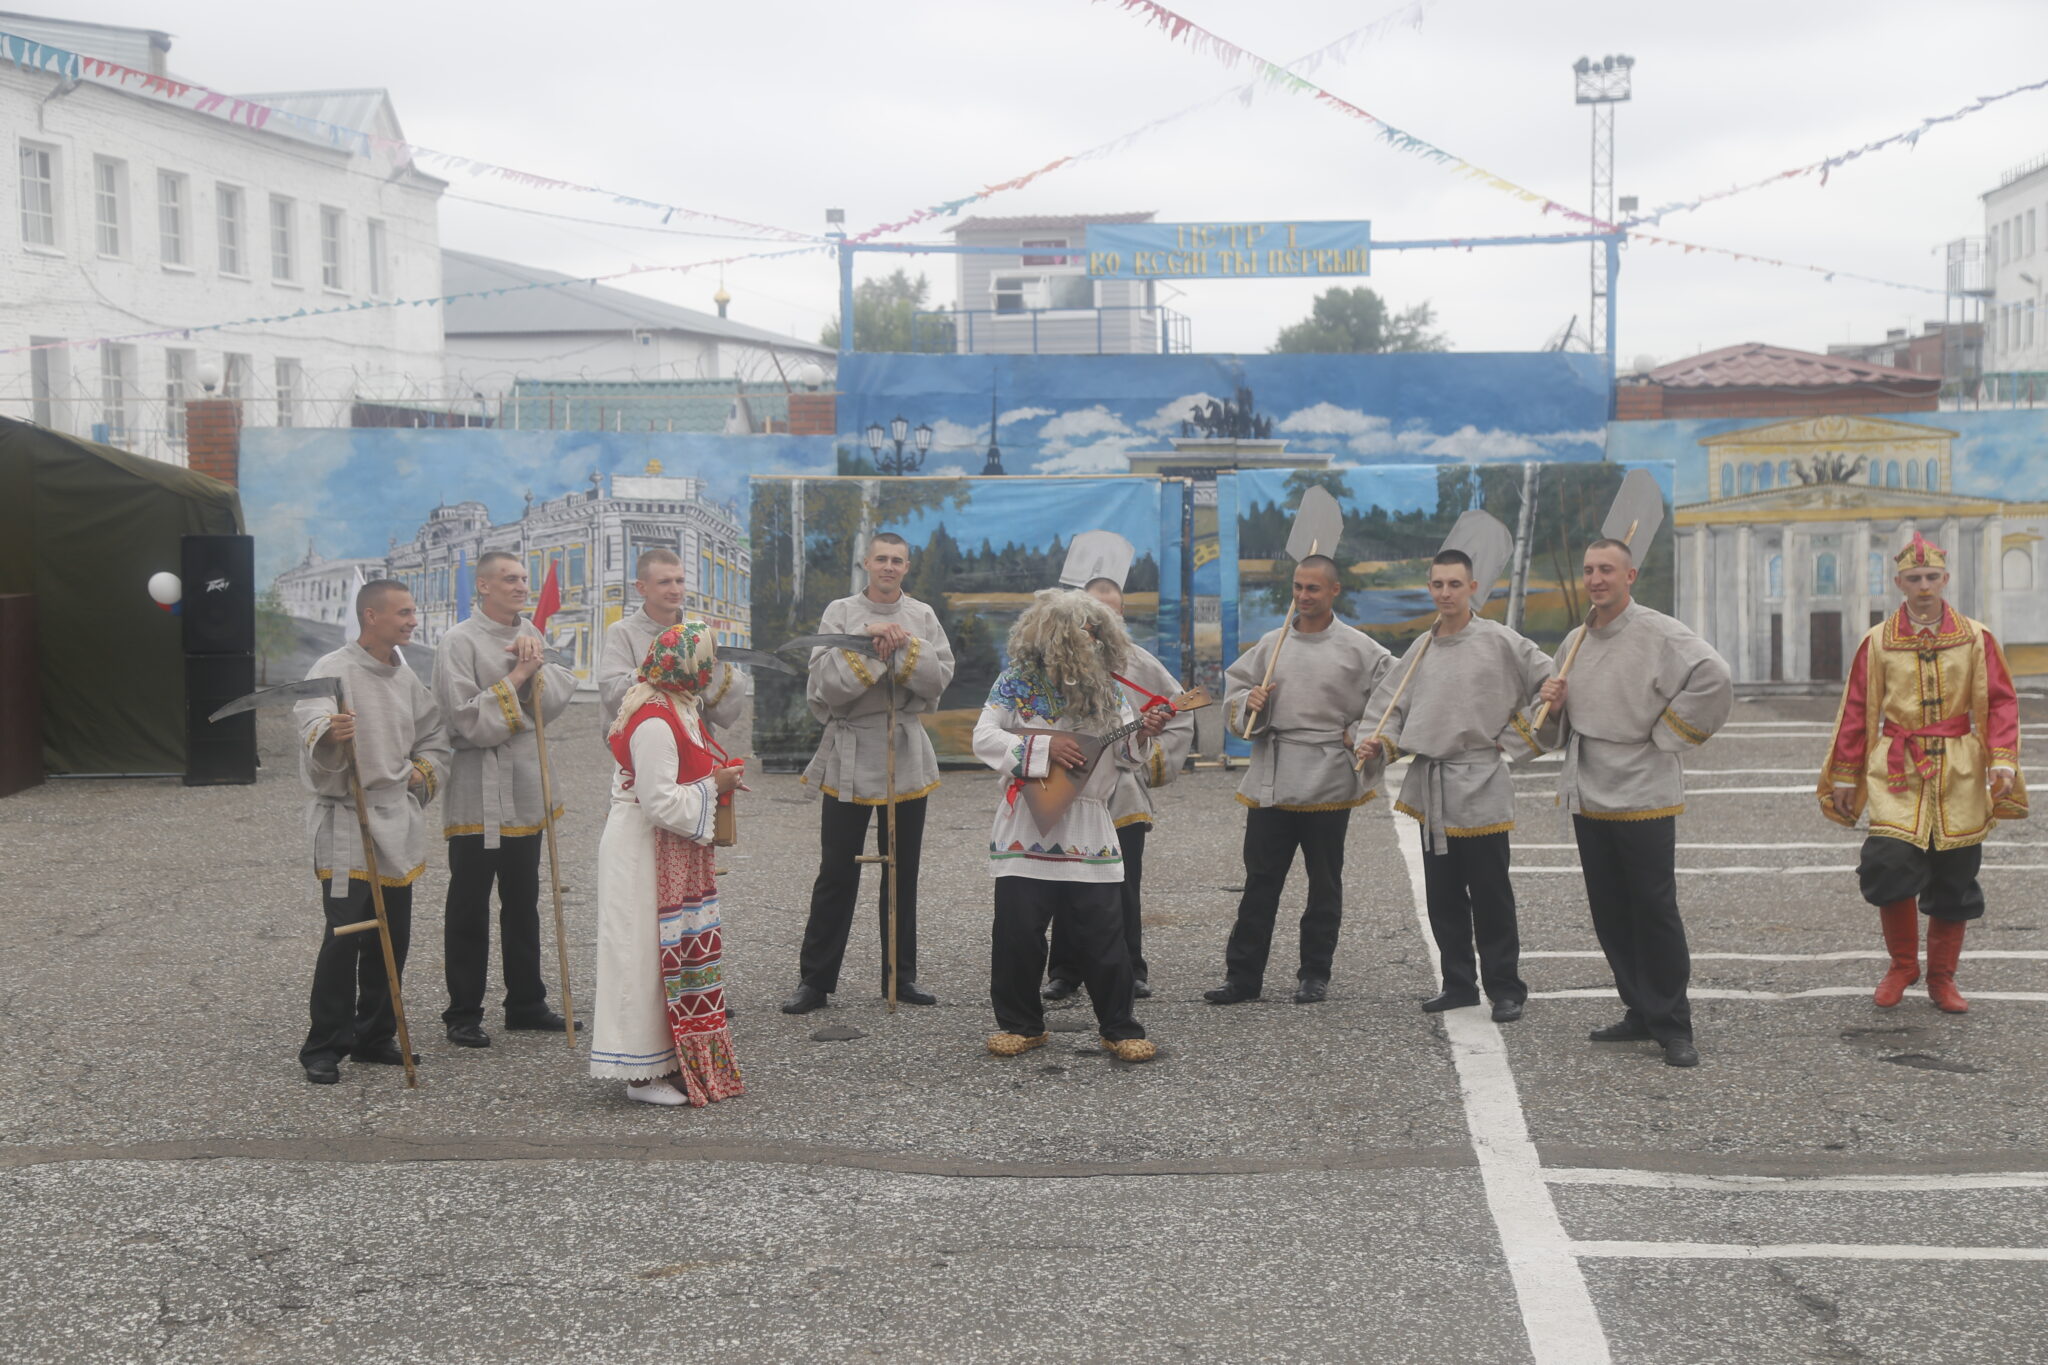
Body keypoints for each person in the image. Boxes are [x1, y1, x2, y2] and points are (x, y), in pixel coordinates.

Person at [1536, 537, 1732, 1068]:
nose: (1596, 579)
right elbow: (1553, 727)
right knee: (1610, 910)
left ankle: (1673, 1024)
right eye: (1589, 569)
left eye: (1607, 570)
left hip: (1643, 787)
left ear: (1630, 576)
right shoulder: (1575, 640)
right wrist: (1553, 706)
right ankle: (1639, 1008)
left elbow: (1714, 676)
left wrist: (1668, 733)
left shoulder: (1661, 632)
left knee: (1653, 908)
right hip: (1590, 785)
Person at [1819, 532, 2029, 1013]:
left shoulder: (1976, 637)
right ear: (1899, 583)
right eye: (1914, 578)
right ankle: (1901, 965)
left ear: (1945, 579)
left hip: (1959, 768)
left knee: (1956, 872)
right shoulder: (1877, 642)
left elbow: (2000, 702)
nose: (1924, 586)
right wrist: (1847, 775)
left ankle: (1941, 979)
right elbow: (1856, 709)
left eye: (1932, 577)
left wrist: (2001, 759)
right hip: (1899, 768)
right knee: (1887, 862)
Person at [1356, 550, 1553, 1022]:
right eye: (1438, 584)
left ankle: (1506, 987)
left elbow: (1550, 682)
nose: (1445, 593)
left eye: (1454, 584)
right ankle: (1459, 983)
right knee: (1443, 897)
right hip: (1432, 785)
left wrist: (1515, 735)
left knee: (1491, 895)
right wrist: (1376, 745)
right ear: (1431, 588)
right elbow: (1392, 709)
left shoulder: (1502, 641)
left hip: (1481, 779)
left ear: (1472, 589)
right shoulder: (1419, 650)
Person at [974, 590, 1169, 1060]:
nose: (1094, 640)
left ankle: (1119, 1027)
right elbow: (984, 736)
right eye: (1086, 631)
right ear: (1057, 633)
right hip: (1028, 822)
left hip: (1087, 823)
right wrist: (1043, 750)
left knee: (1104, 931)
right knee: (1018, 932)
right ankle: (1022, 1024)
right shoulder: (1016, 682)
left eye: (1098, 632)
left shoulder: (1108, 688)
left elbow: (1122, 755)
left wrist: (1141, 733)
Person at [1205, 555, 1394, 1006]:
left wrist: (1364, 734)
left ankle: (1315, 973)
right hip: (1273, 775)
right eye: (1297, 588)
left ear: (1334, 591)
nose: (1303, 597)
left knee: (1324, 883)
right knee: (1260, 882)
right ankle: (1243, 978)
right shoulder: (1271, 646)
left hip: (1329, 778)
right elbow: (1235, 694)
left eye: (1313, 588)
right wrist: (1250, 703)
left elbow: (1394, 696)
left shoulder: (1361, 649)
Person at [783, 532, 957, 1014]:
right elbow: (826, 688)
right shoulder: (840, 612)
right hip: (850, 749)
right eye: (881, 558)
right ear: (866, 562)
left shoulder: (921, 615)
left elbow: (939, 678)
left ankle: (900, 979)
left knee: (902, 872)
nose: (888, 566)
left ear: (907, 566)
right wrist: (871, 652)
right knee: (836, 872)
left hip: (904, 749)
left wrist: (905, 650)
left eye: (897, 560)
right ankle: (815, 982)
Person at [294, 580, 450, 1085]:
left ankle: (375, 1034)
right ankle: (324, 1044)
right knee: (344, 937)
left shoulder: (405, 678)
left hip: (394, 819)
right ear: (370, 616)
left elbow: (433, 735)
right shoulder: (332, 670)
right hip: (346, 821)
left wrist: (421, 774)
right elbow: (311, 722)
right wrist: (329, 735)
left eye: (413, 612)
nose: (412, 621)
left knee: (392, 937)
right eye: (403, 613)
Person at [590, 622, 746, 1107]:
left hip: (663, 844)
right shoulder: (656, 719)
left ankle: (669, 1059)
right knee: (642, 955)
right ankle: (640, 1075)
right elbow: (657, 802)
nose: (712, 668)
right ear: (687, 665)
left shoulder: (677, 706)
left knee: (669, 953)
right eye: (707, 659)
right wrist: (714, 786)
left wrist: (715, 781)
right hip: (642, 845)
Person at [433, 550, 579, 1048]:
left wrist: (534, 666)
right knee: (469, 905)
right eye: (510, 579)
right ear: (484, 587)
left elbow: (556, 700)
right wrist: (517, 676)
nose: (521, 586)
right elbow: (464, 721)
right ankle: (463, 1011)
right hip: (477, 792)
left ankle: (526, 1003)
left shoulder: (531, 635)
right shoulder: (457, 641)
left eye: (523, 578)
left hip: (523, 785)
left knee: (524, 903)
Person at [1041, 575, 1195, 1004]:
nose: (1098, 623)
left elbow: (1179, 712)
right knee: (1066, 877)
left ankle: (1131, 966)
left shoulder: (1141, 664)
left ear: (1121, 617)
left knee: (1121, 882)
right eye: (1091, 613)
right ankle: (1066, 971)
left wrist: (1147, 758)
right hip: (1068, 786)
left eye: (1108, 614)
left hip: (1122, 792)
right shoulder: (1053, 664)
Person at [598, 548, 750, 743]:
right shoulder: (622, 632)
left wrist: (711, 669)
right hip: (645, 750)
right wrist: (655, 671)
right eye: (664, 582)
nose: (675, 590)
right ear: (641, 587)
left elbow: (728, 708)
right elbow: (612, 694)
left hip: (695, 748)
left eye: (679, 581)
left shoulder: (699, 633)